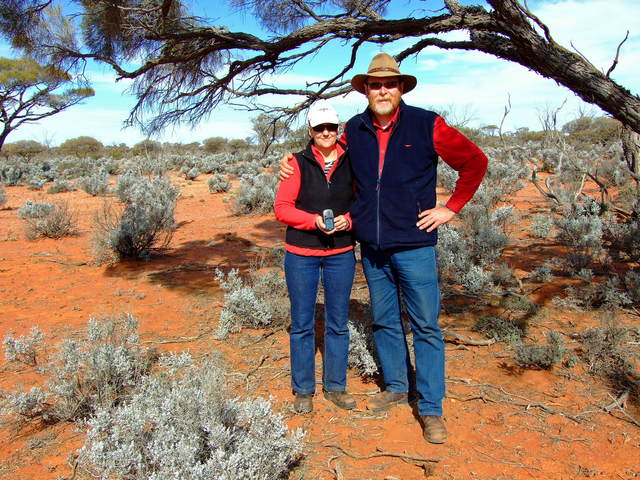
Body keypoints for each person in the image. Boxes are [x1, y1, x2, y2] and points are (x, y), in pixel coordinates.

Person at [280, 53, 488, 442]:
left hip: (415, 245)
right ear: (365, 90)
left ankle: (430, 408)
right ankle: (395, 386)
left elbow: (475, 162)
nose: (382, 90)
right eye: (375, 85)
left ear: (401, 88)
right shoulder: (353, 129)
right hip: (372, 248)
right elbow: (322, 152)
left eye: (389, 84)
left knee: (426, 326)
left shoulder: (428, 124)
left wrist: (450, 208)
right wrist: (289, 162)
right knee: (385, 321)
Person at [274, 100, 357, 414]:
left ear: (338, 129)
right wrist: (313, 222)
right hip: (301, 254)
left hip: (341, 252)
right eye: (319, 127)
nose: (325, 132)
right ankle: (304, 389)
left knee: (338, 322)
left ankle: (335, 386)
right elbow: (282, 208)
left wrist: (351, 219)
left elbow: (363, 201)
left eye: (331, 127)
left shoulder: (352, 160)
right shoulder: (296, 162)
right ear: (309, 130)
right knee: (302, 323)